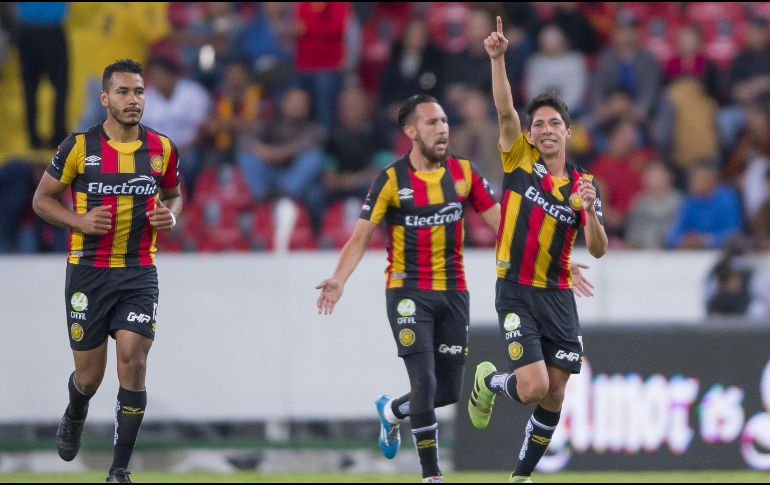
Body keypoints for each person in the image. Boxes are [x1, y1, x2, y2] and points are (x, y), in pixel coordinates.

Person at [316, 94, 500, 483]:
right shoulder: (390, 180)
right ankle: (431, 475)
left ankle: (392, 412)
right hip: (407, 292)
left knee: (447, 392)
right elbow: (360, 237)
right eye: (433, 122)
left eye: (445, 121)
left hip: (454, 293)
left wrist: (547, 258)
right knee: (425, 381)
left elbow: (504, 226)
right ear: (411, 131)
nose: (443, 129)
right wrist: (339, 278)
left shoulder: (465, 173)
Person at [467, 17, 607, 484]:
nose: (546, 130)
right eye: (539, 124)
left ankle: (521, 476)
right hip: (516, 290)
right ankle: (489, 382)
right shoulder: (519, 159)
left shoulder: (584, 186)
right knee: (531, 387)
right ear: (529, 134)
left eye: (555, 124)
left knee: (555, 394)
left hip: (558, 295)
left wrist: (589, 212)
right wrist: (498, 58)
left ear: (568, 132)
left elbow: (600, 248)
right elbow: (505, 109)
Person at [31, 59, 182, 484]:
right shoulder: (78, 147)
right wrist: (79, 222)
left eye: (138, 92)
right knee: (89, 376)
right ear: (105, 98)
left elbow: (174, 195)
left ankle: (119, 470)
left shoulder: (162, 149)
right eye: (123, 92)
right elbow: (42, 200)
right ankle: (76, 410)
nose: (132, 100)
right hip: (87, 274)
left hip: (138, 271)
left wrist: (170, 216)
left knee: (133, 362)